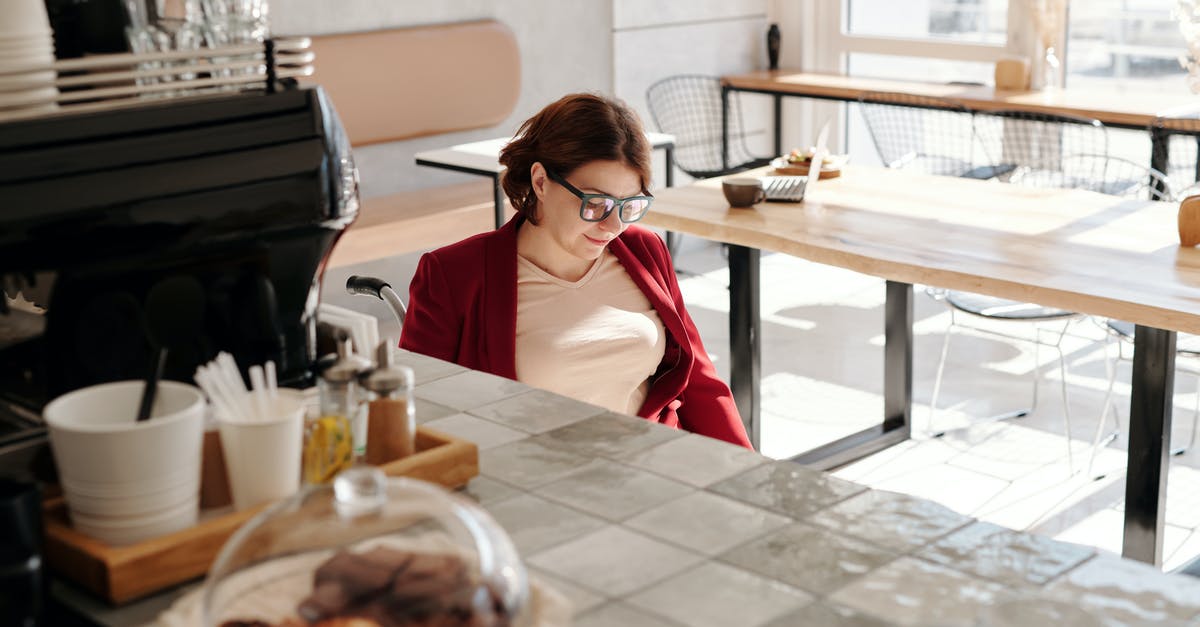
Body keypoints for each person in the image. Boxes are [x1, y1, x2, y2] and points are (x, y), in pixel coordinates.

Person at [399, 93, 752, 449]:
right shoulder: (453, 274)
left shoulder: (643, 250)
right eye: (596, 203)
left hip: (651, 465)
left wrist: (748, 474)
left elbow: (699, 382)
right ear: (540, 182)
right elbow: (421, 410)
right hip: (531, 480)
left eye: (629, 205)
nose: (613, 225)